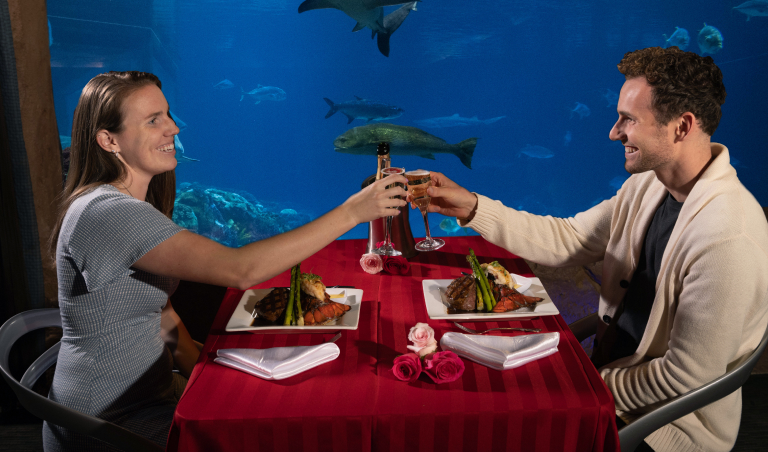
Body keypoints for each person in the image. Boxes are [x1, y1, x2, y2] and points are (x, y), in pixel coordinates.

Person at [417, 47, 768, 452]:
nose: (614, 132)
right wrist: (471, 206)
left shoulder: (728, 239)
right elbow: (568, 239)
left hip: (659, 425)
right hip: (608, 384)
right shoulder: (649, 185)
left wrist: (582, 386)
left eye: (629, 119)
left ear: (682, 126)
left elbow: (684, 377)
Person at [43, 71, 407, 451]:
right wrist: (352, 212)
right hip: (108, 421)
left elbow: (163, 317)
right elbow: (240, 270)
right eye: (153, 120)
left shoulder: (127, 205)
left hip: (153, 392)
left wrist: (207, 376)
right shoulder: (108, 213)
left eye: (167, 114)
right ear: (109, 140)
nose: (173, 128)